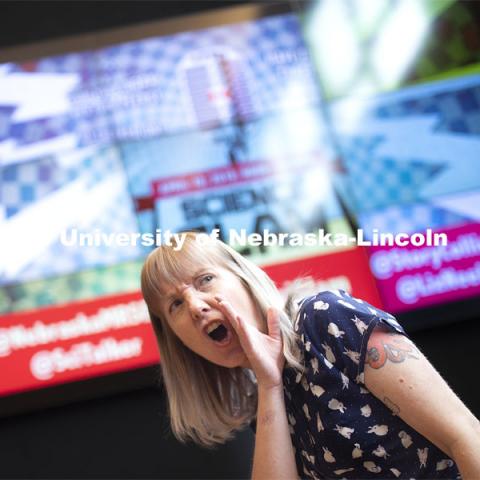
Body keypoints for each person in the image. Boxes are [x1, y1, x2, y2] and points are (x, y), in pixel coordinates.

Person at [141, 231, 480, 479]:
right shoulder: (265, 399)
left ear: (244, 278)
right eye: (175, 305)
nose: (196, 307)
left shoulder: (325, 318)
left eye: (205, 280)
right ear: (177, 342)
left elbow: (464, 435)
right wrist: (270, 385)